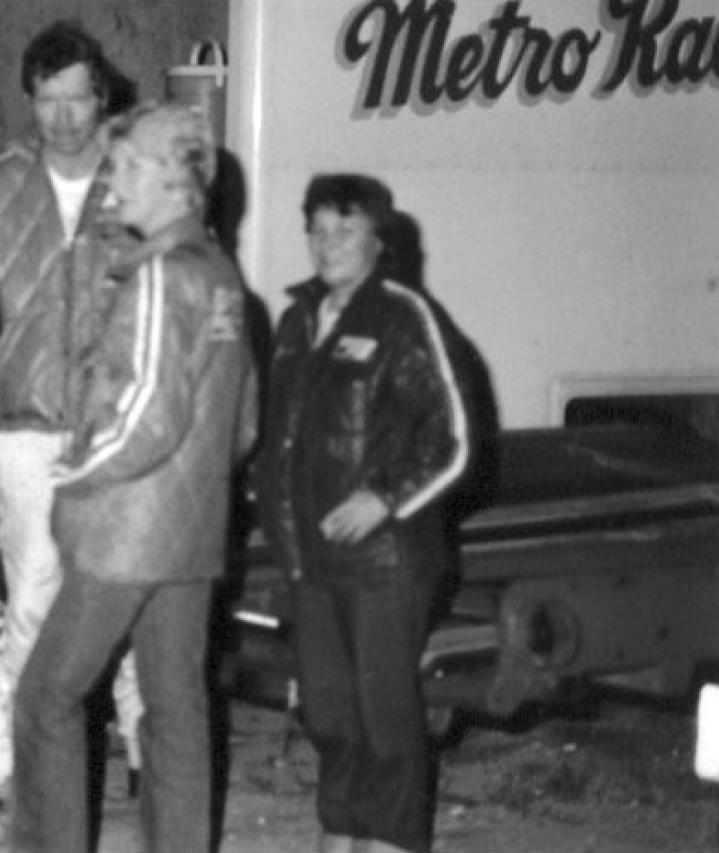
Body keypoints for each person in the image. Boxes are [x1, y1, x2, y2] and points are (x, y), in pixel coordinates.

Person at [11, 101, 258, 853]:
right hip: (191, 534)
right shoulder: (222, 275)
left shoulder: (159, 277)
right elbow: (243, 422)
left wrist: (76, 472)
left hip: (125, 534)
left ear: (175, 180)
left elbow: (149, 413)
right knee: (176, 709)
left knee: (47, 696)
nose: (112, 180)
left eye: (126, 166)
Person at [0, 20, 143, 847]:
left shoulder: (138, 177)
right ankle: (37, 803)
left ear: (102, 96)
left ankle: (146, 783)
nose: (61, 117)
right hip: (26, 433)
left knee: (129, 607)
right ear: (31, 100)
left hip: (121, 432)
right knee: (34, 611)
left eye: (76, 99)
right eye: (46, 101)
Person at [255, 173, 471, 853]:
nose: (329, 244)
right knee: (329, 713)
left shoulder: (404, 317)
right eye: (317, 230)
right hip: (311, 562)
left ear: (380, 240)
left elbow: (453, 437)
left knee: (385, 719)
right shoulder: (297, 322)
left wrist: (384, 498)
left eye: (346, 230)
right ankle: (342, 832)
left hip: (386, 562)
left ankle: (392, 839)